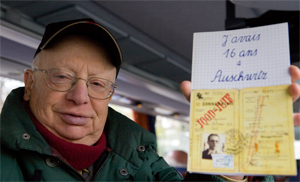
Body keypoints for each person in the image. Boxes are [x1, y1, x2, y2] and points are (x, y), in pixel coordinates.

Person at [1, 18, 299, 181]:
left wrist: (230, 160)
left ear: (111, 94)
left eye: (97, 84)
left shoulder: (144, 160)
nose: (80, 97)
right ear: (30, 83)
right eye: (62, 77)